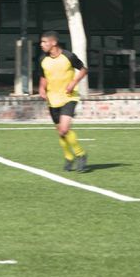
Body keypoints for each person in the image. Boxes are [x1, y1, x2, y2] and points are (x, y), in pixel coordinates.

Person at [38, 31, 88, 172]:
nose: (41, 45)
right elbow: (43, 76)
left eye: (44, 42)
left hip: (69, 97)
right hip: (52, 99)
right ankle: (68, 157)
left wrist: (74, 82)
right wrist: (42, 88)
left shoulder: (68, 56)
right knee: (61, 132)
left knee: (65, 129)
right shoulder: (43, 59)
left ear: (53, 43)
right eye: (41, 42)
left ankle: (80, 155)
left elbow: (84, 69)